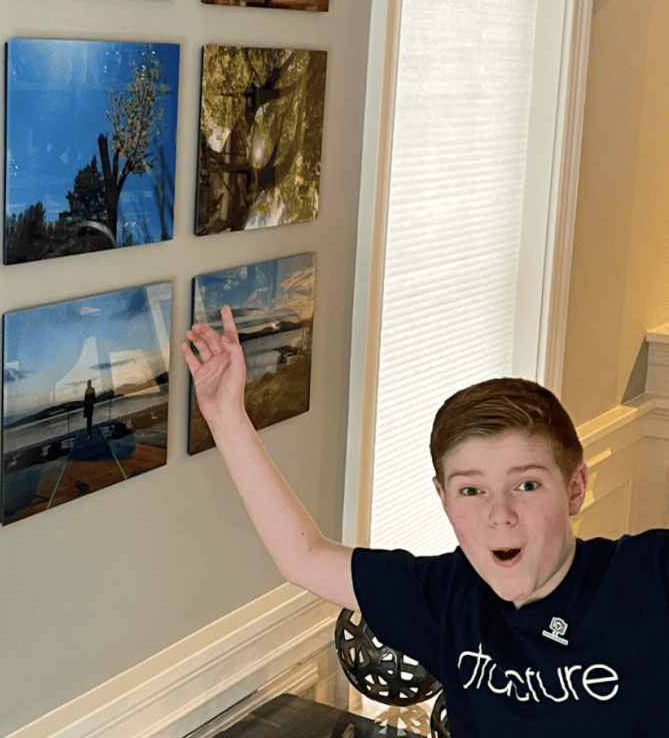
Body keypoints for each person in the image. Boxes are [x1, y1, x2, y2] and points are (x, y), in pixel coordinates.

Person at [182, 306, 669, 737]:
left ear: (575, 489)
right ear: (443, 498)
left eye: (526, 485)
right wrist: (226, 417)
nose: (500, 516)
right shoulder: (446, 600)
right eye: (472, 491)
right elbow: (302, 556)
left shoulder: (647, 579)